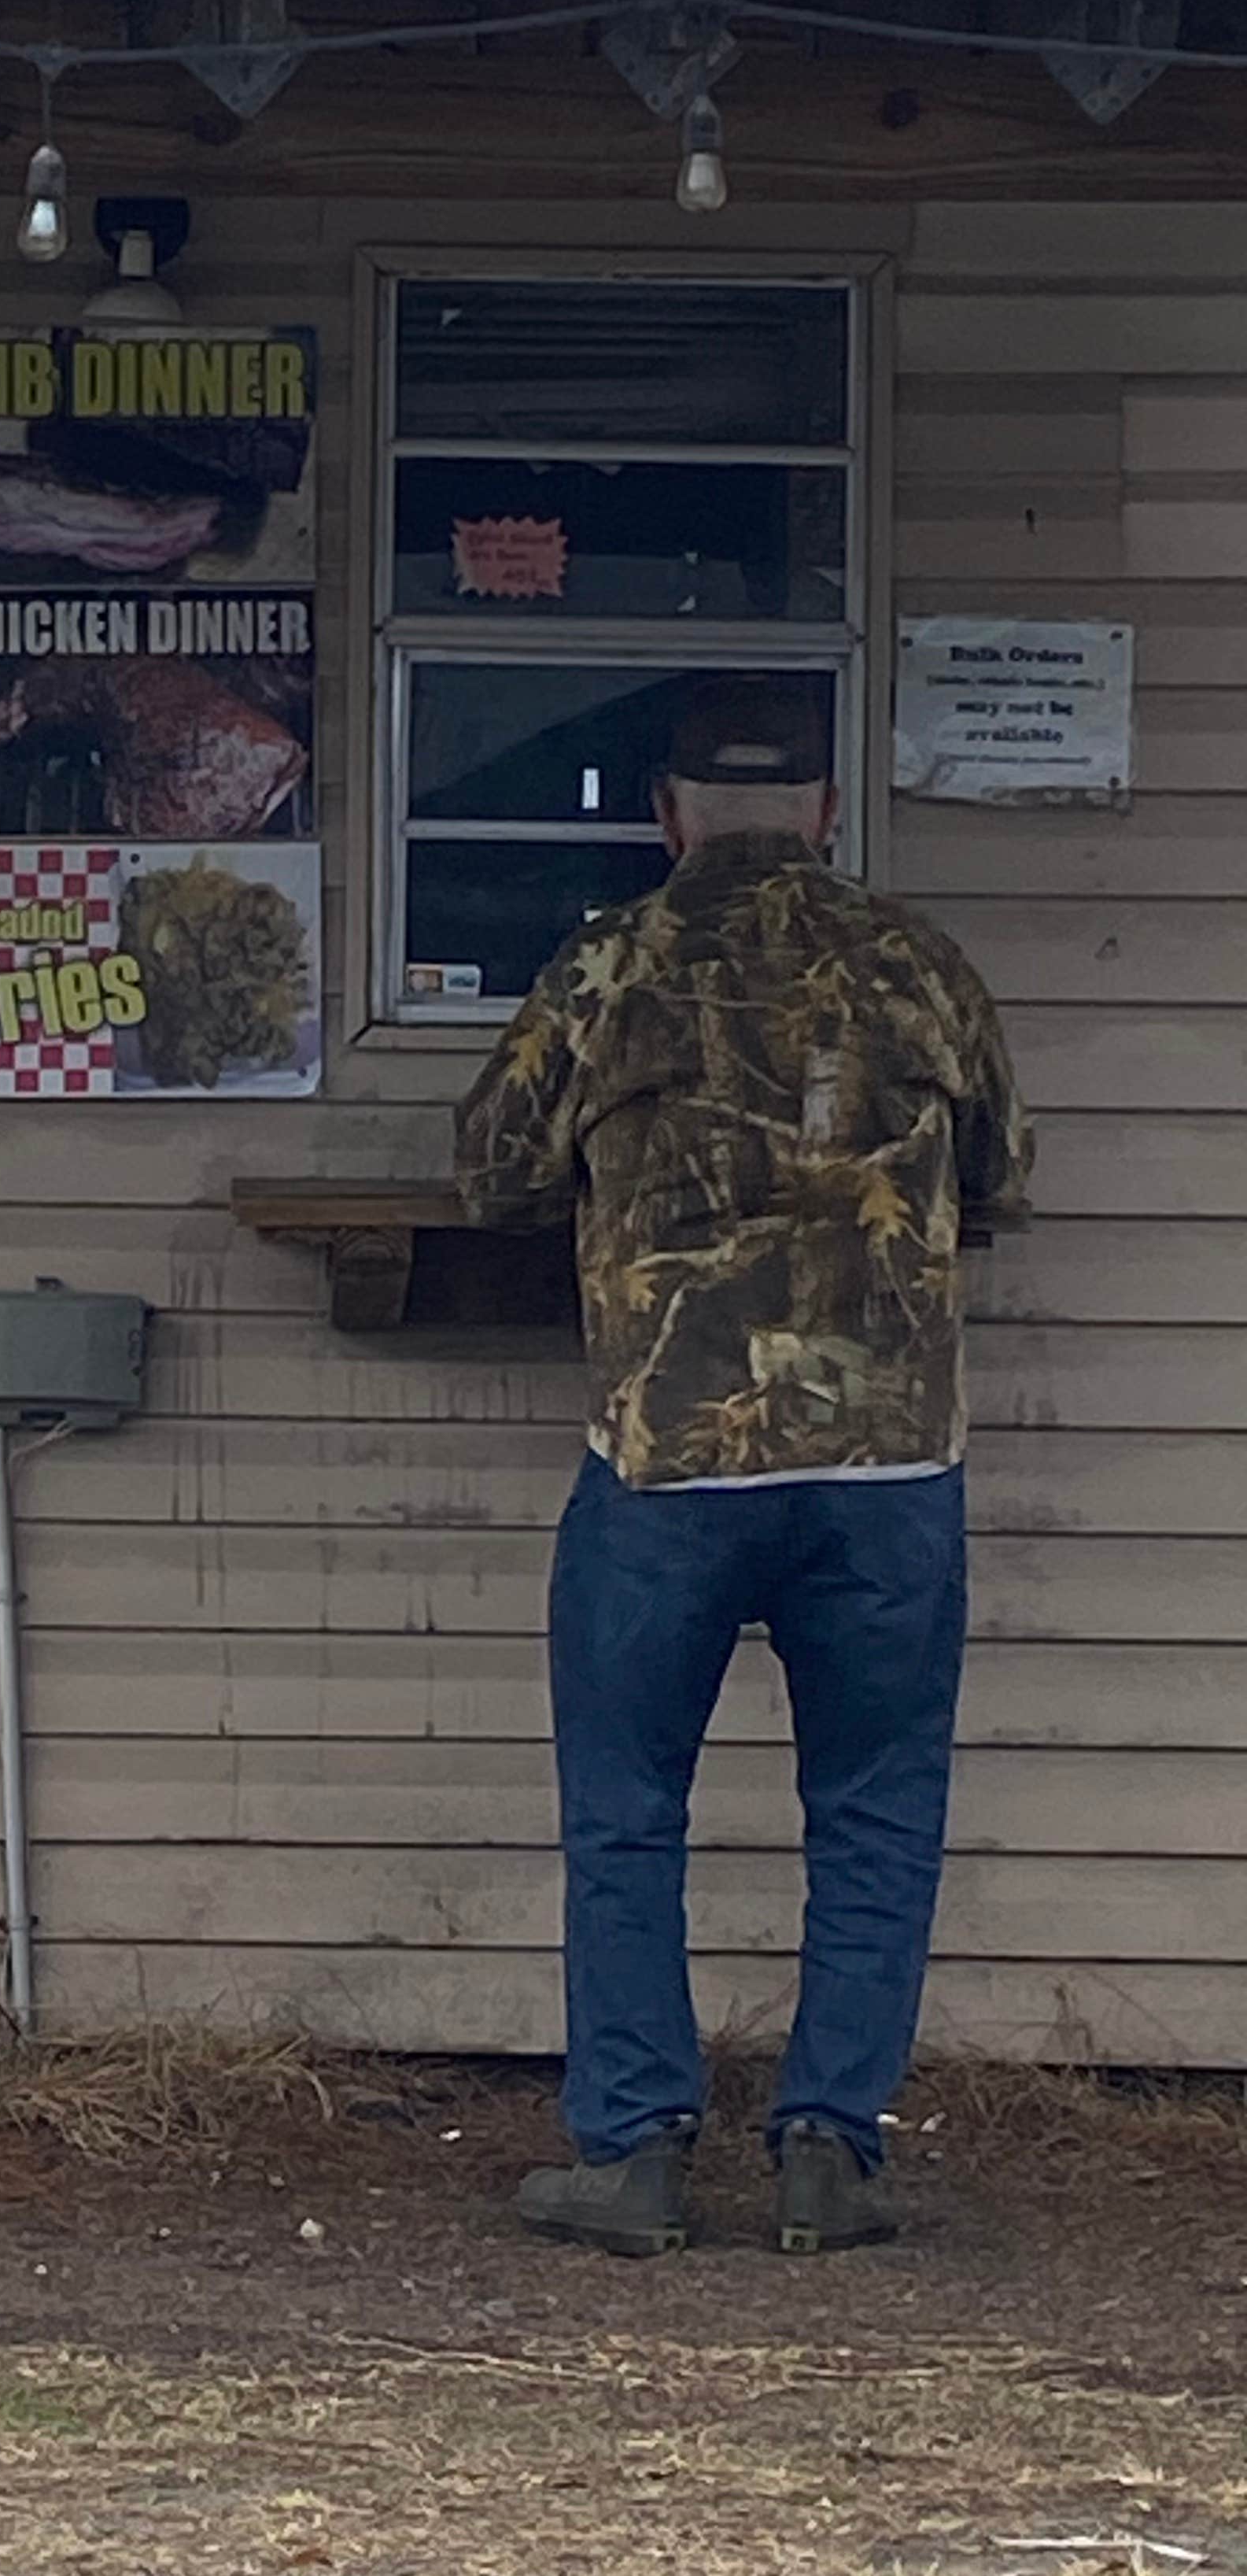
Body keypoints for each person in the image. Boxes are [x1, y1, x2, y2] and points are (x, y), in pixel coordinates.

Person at [446, 678, 1031, 2256]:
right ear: (830, 815)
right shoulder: (918, 966)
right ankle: (831, 2152)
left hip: (668, 1455)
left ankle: (633, 2152)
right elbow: (1005, 1175)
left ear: (668, 815)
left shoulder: (609, 961)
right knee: (876, 1808)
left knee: (628, 1809)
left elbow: (494, 1170)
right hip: (891, 1458)